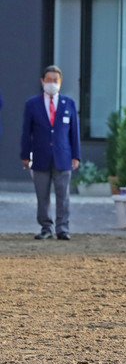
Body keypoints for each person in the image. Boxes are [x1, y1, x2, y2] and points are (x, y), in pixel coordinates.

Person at [20, 65, 81, 240]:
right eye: (49, 80)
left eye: (55, 80)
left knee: (63, 195)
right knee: (42, 195)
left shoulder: (69, 104)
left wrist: (76, 155)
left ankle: (63, 228)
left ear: (60, 82)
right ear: (42, 81)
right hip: (40, 156)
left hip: (63, 156)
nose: (52, 83)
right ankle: (46, 227)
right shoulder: (32, 104)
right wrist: (25, 154)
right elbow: (27, 132)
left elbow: (74, 132)